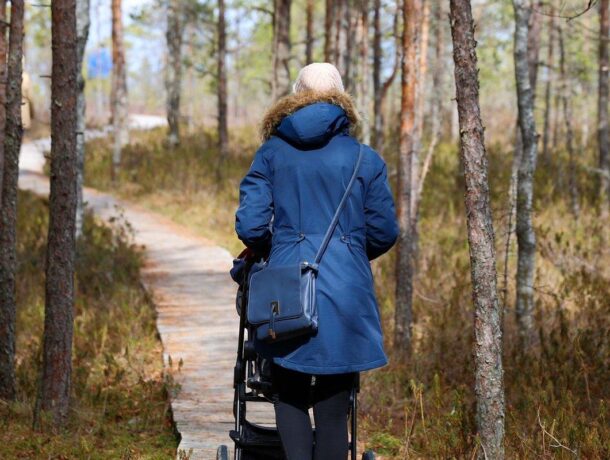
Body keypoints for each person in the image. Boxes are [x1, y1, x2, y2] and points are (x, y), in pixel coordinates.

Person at [235, 63, 398, 460]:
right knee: (333, 402)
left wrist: (280, 249)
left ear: (296, 95)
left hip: (287, 290)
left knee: (288, 391)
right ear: (341, 98)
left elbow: (252, 226)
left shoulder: (271, 153)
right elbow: (384, 232)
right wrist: (349, 253)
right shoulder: (364, 159)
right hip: (346, 292)